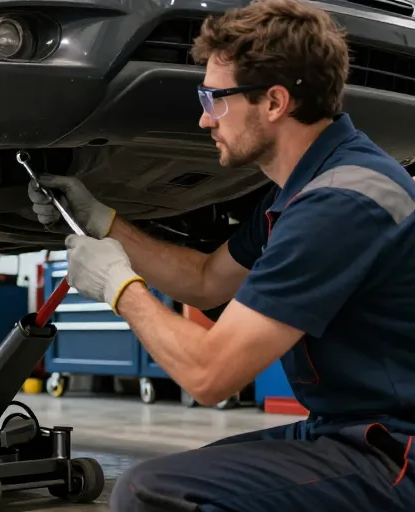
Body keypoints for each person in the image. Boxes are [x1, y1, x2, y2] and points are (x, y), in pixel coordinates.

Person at [27, 0, 415, 509]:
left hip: (395, 454)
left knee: (152, 493)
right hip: (351, 432)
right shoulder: (306, 186)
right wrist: (104, 220)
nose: (205, 119)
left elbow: (211, 376)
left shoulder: (338, 204)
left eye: (215, 98)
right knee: (184, 476)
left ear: (274, 103)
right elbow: (207, 280)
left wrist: (119, 288)